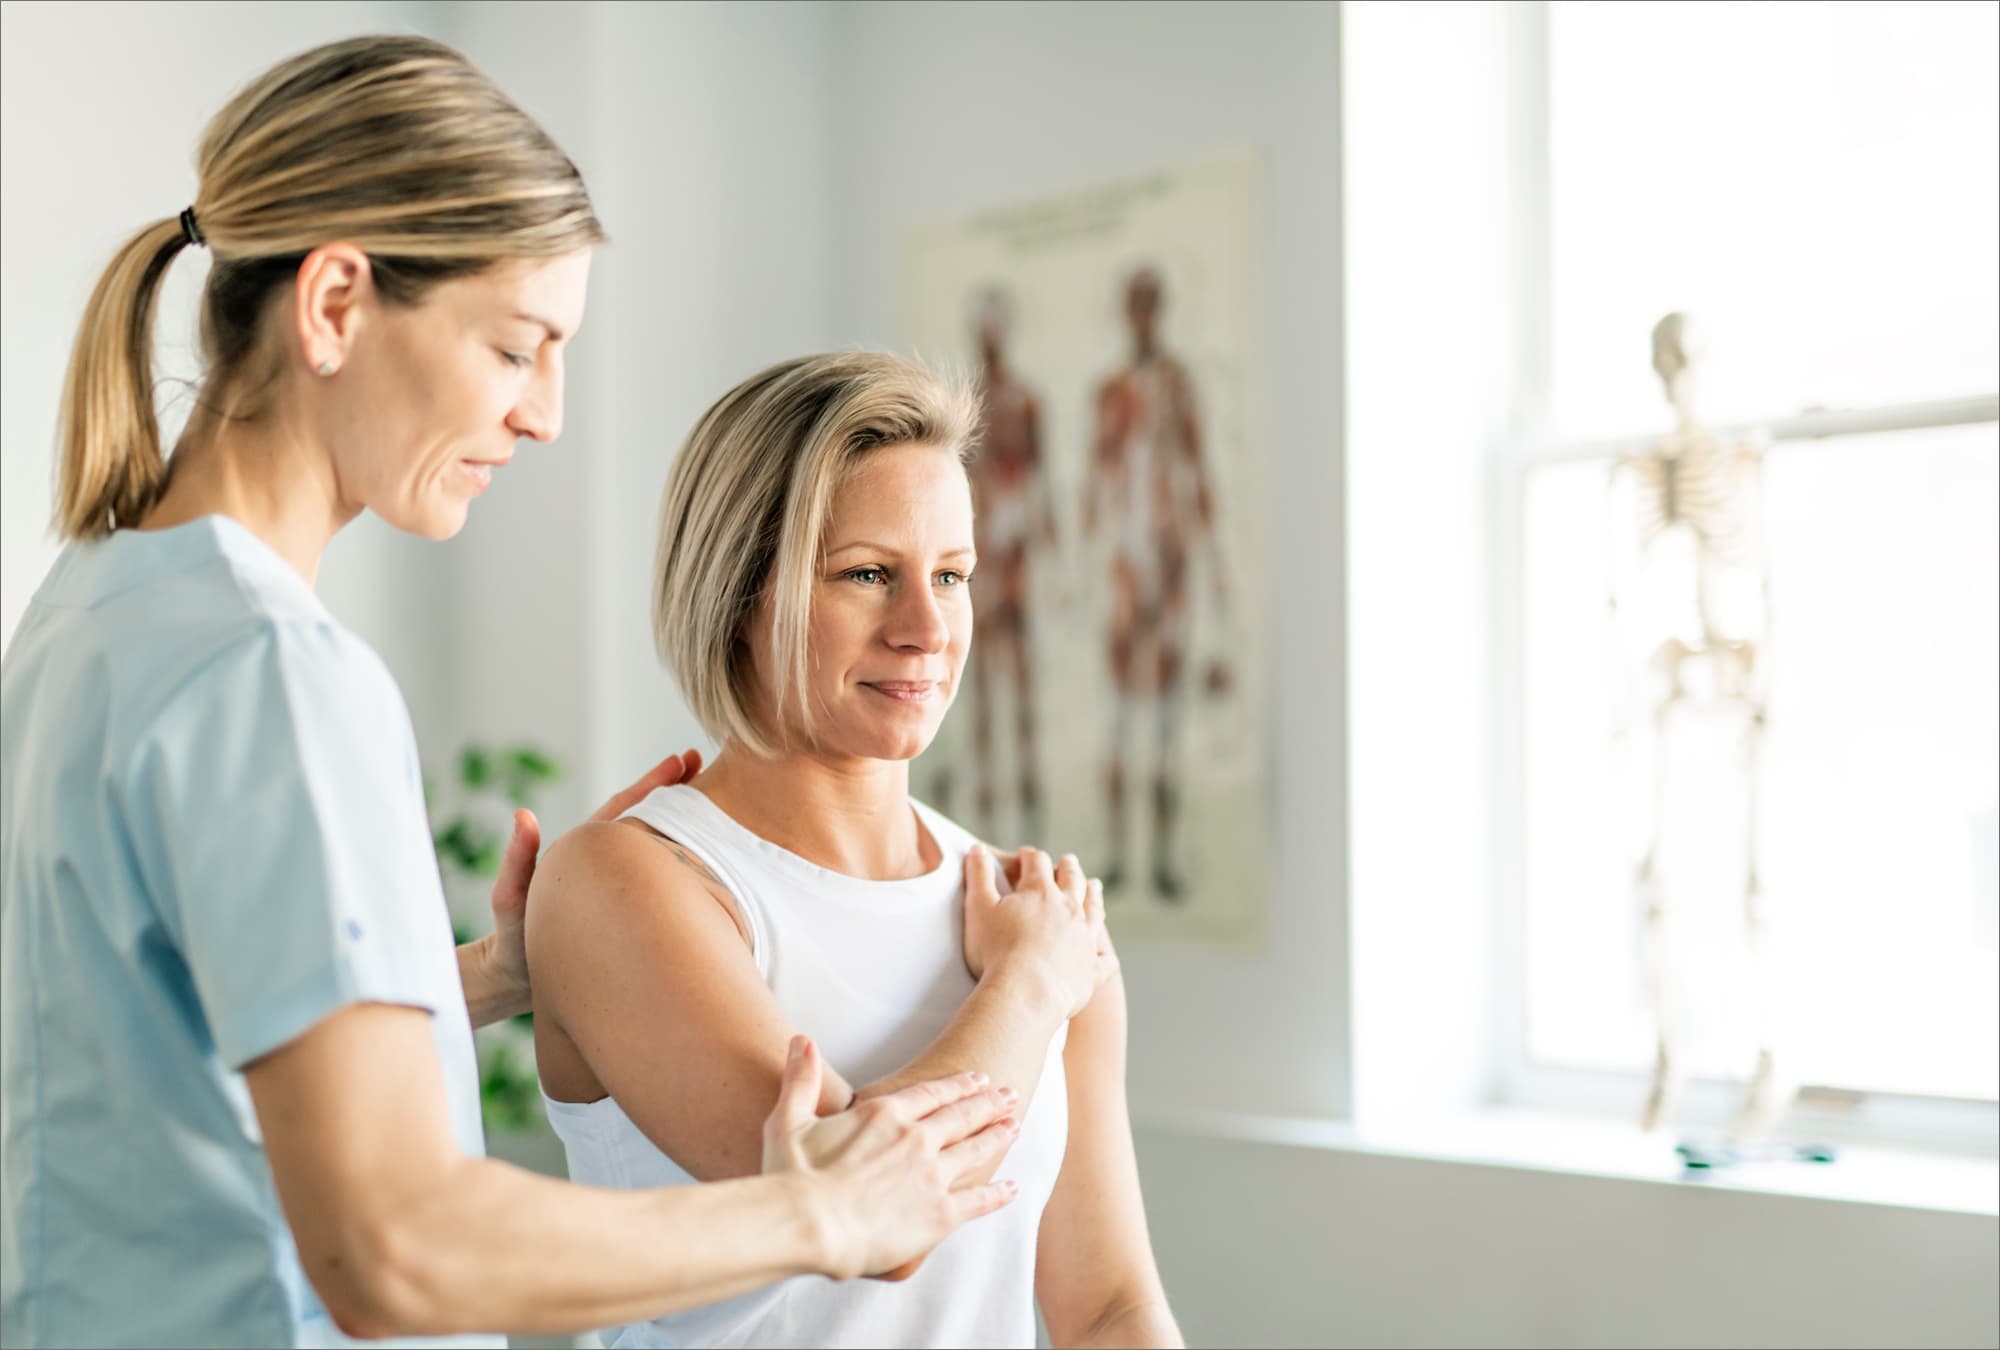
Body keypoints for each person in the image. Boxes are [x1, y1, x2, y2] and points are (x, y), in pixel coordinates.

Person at [0, 37, 1021, 1350]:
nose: (545, 414)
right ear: (333, 306)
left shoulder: (90, 613)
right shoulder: (275, 673)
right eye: (516, 347)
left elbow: (156, 1044)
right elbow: (394, 1251)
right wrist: (821, 1210)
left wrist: (479, 976)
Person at [526, 352, 1184, 1348]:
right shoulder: (623, 882)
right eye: (868, 575)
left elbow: (1106, 1309)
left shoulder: (1032, 917)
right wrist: (1023, 990)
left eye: (951, 576)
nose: (926, 629)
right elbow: (863, 1212)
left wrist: (1039, 970)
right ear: (737, 594)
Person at [1083, 266, 1234, 901]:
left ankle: (1164, 857)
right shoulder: (1113, 390)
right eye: (1134, 304)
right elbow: (1096, 477)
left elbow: (1199, 470)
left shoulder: (1177, 384)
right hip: (1127, 562)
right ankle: (1117, 854)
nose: (1142, 315)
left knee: (1167, 715)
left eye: (1150, 304)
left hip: (1169, 560)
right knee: (1120, 713)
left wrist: (1215, 567)